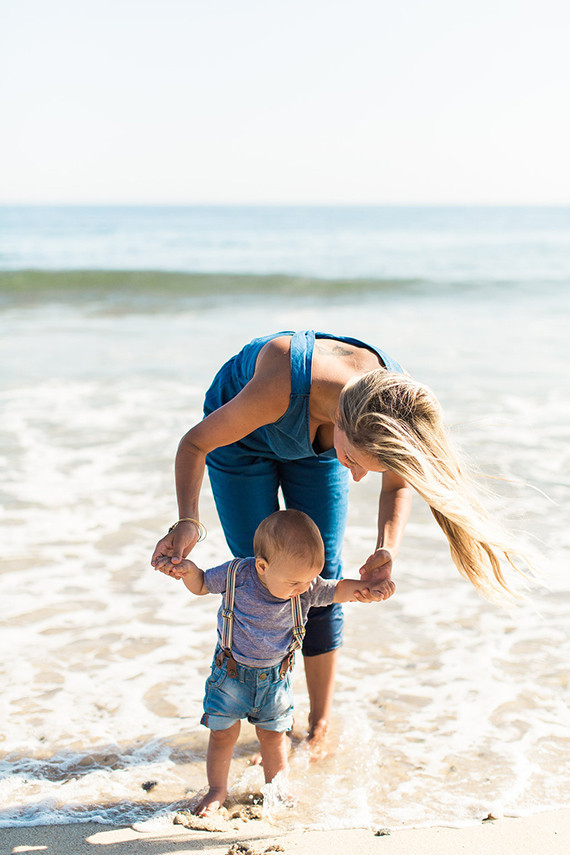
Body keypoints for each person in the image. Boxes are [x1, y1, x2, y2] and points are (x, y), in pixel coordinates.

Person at [151, 330, 528, 750]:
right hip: (239, 440)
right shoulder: (281, 382)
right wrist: (187, 520)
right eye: (352, 462)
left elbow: (395, 487)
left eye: (367, 466)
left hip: (318, 443)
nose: (357, 476)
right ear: (340, 424)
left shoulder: (393, 407)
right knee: (266, 580)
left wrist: (387, 547)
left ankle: (319, 724)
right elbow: (195, 442)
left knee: (320, 577)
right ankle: (269, 721)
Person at [156, 509, 386, 816]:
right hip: (230, 675)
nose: (304, 588)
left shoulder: (305, 586)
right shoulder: (237, 574)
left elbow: (336, 589)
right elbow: (200, 584)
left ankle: (278, 788)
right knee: (222, 734)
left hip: (275, 679)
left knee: (274, 736)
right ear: (262, 567)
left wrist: (363, 590)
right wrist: (187, 570)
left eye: (308, 580)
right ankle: (217, 789)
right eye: (295, 582)